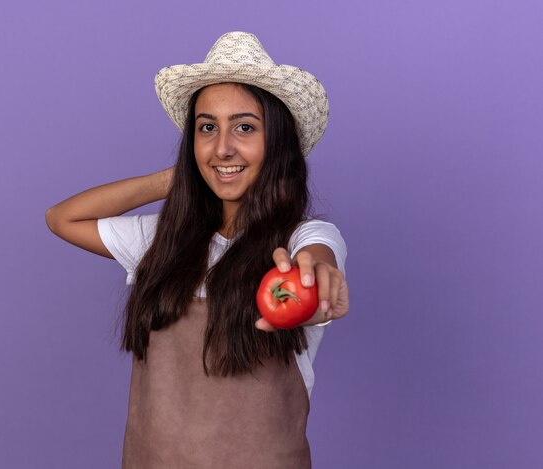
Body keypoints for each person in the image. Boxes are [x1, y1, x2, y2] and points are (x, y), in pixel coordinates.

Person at [46, 31, 349, 469]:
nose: (223, 146)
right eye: (207, 128)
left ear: (278, 144)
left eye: (245, 127)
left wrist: (317, 275)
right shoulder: (163, 241)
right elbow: (62, 218)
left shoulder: (303, 238)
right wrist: (181, 175)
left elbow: (317, 258)